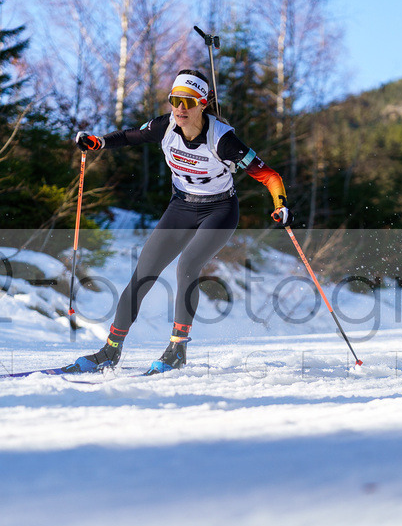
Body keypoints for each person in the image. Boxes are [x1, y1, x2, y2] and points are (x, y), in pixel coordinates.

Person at [62, 69, 294, 375]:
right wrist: (98, 142)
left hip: (220, 211)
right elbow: (131, 135)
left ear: (203, 104)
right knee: (143, 272)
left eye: (188, 101)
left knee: (187, 266)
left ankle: (177, 350)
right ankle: (110, 350)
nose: (180, 108)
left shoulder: (223, 140)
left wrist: (281, 204)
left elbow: (270, 175)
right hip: (181, 207)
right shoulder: (166, 126)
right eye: (175, 100)